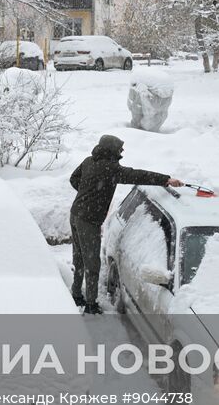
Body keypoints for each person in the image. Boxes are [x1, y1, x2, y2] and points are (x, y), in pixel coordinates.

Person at [68, 134, 183, 314]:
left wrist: (87, 194)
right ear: (112, 149)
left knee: (79, 257)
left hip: (75, 214)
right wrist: (165, 179)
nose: (122, 151)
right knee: (92, 263)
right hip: (88, 220)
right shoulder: (111, 168)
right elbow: (137, 175)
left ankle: (76, 293)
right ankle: (90, 304)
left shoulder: (89, 161)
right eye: (120, 148)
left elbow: (74, 179)